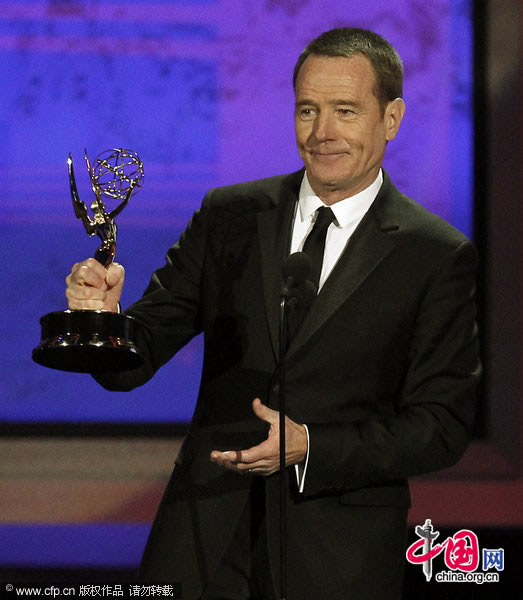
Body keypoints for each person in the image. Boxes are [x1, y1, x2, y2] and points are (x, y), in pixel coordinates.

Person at [65, 28, 480, 600]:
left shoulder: (434, 254)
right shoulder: (230, 215)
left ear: (392, 118)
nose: (322, 133)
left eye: (345, 111)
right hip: (205, 537)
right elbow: (132, 362)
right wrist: (104, 323)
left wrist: (314, 446)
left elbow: (442, 425)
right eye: (307, 109)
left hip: (339, 555)